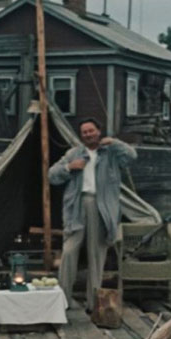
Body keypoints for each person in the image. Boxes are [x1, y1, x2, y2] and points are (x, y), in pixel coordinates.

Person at [48, 117, 136, 311]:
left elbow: (132, 156)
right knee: (69, 251)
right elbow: (52, 175)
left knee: (97, 254)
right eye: (84, 132)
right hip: (77, 206)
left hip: (101, 206)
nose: (88, 135)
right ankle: (62, 301)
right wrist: (69, 168)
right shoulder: (73, 153)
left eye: (91, 131)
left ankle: (93, 302)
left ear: (99, 131)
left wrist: (115, 142)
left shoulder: (111, 153)